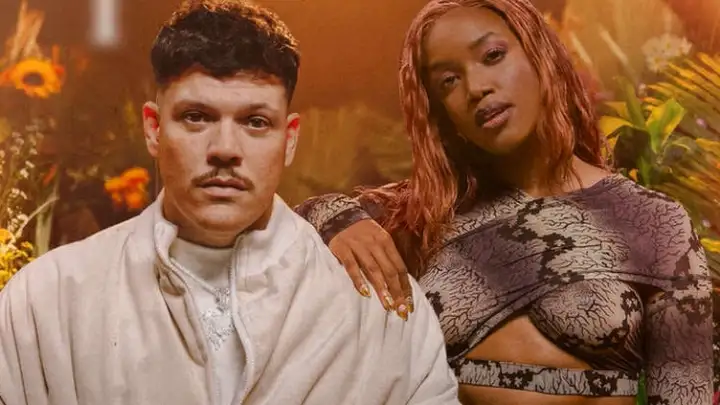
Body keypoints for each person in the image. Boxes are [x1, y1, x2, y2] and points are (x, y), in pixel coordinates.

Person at [0, 1, 461, 404]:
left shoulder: (382, 312)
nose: (224, 148)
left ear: (290, 139)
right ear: (154, 129)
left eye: (255, 122)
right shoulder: (45, 302)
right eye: (196, 117)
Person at [294, 0, 714, 404]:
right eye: (448, 81)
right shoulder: (423, 216)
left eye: (492, 56)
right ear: (442, 113)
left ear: (540, 55)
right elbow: (284, 231)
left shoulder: (652, 221)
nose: (476, 88)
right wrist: (340, 220)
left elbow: (685, 392)